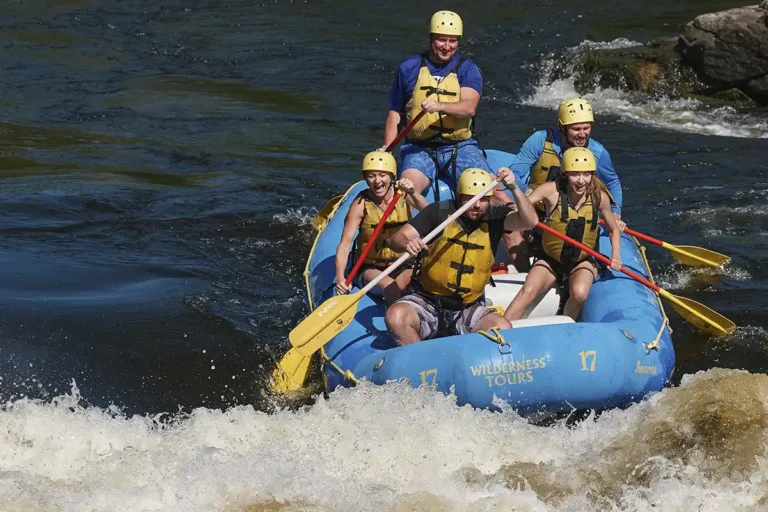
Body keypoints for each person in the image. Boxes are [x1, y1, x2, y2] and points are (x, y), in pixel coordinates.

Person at [384, 168, 538, 345]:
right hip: (428, 300)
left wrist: (513, 187)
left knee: (502, 327)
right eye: (470, 198)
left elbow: (530, 221)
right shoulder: (439, 212)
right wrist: (407, 243)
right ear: (459, 195)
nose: (477, 205)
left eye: (484, 199)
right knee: (396, 316)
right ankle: (420, 366)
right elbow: (396, 240)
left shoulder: (495, 218)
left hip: (468, 307)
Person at [381, 10, 512, 206]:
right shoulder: (409, 69)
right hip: (419, 149)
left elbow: (469, 108)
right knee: (405, 193)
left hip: (460, 147)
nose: (447, 47)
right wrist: (387, 150)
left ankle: (520, 230)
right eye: (442, 40)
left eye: (453, 41)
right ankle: (420, 231)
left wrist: (439, 105)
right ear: (431, 38)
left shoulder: (468, 70)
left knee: (496, 195)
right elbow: (395, 114)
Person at [503, 147, 623, 323]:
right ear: (566, 173)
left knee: (580, 294)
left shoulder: (600, 197)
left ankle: (564, 323)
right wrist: (512, 193)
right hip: (551, 259)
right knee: (527, 291)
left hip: (582, 260)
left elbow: (613, 230)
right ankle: (499, 331)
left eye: (586, 174)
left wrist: (616, 256)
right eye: (575, 175)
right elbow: (525, 206)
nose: (581, 180)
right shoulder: (550, 191)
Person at [505, 98, 625, 271]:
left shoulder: (597, 152)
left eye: (586, 128)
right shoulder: (540, 140)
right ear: (562, 127)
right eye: (576, 129)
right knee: (511, 229)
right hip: (537, 209)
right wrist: (527, 195)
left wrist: (616, 213)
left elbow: (613, 183)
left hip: (570, 216)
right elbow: (516, 172)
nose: (582, 134)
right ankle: (526, 273)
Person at [335, 151, 429, 304]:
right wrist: (340, 277)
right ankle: (395, 320)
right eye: (371, 176)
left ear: (392, 176)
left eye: (382, 175)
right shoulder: (360, 204)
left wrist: (413, 193)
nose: (377, 181)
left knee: (419, 283)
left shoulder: (404, 195)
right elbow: (345, 243)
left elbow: (429, 212)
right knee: (389, 287)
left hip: (403, 262)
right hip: (371, 267)